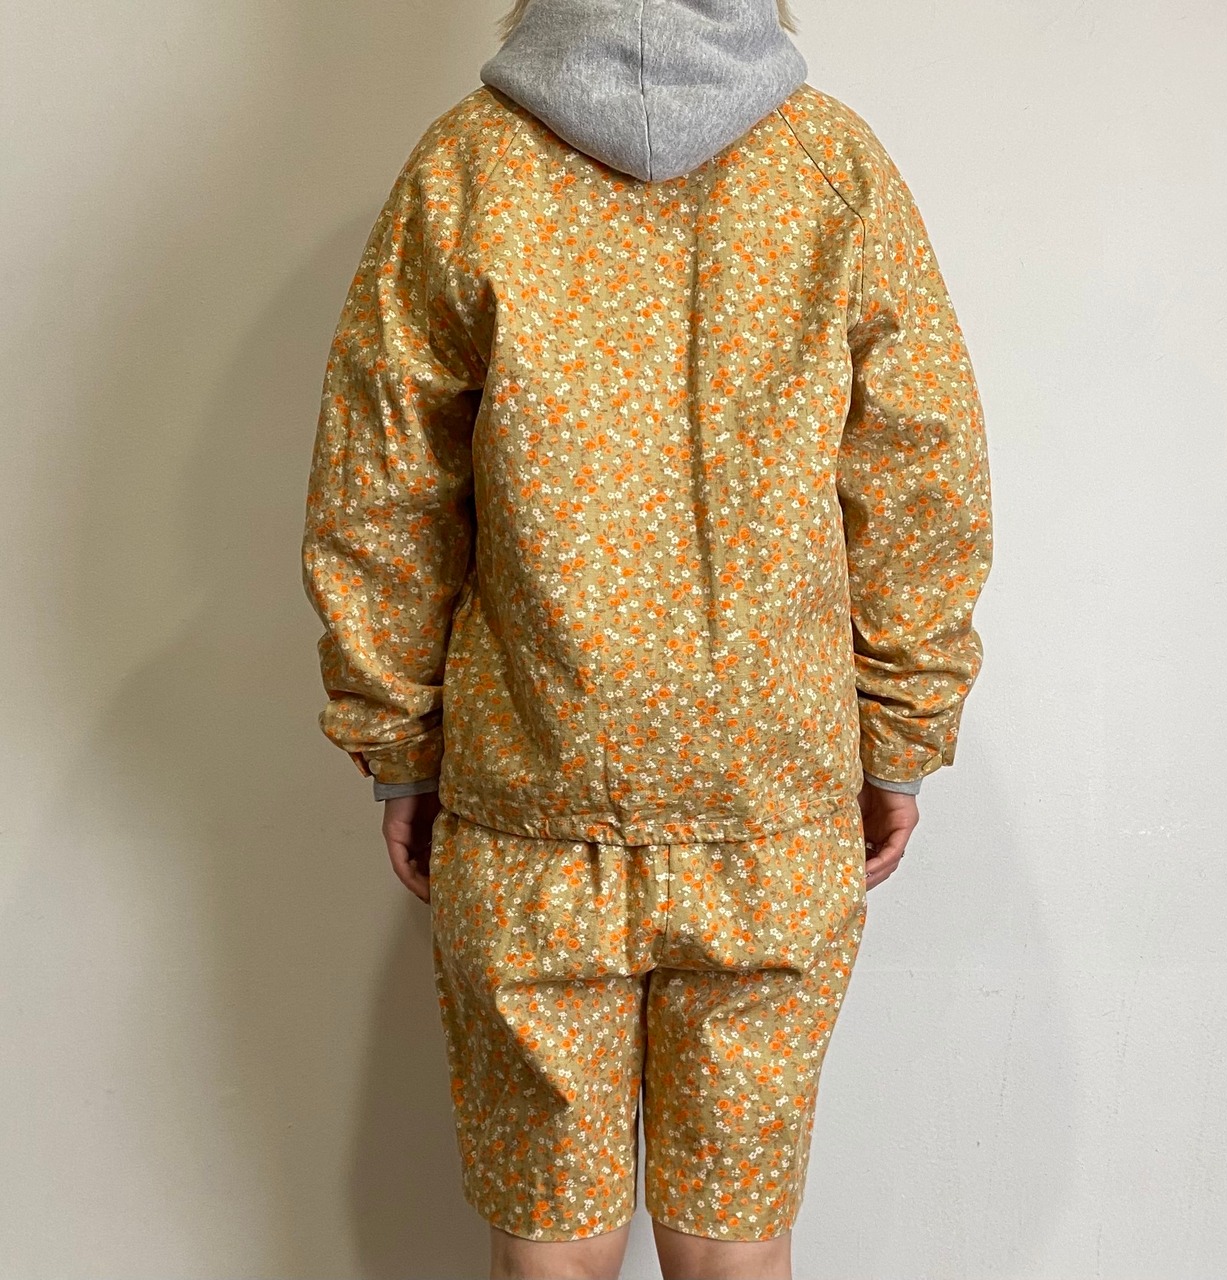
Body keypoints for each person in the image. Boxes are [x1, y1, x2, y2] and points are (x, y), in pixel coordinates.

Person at [300, 0, 992, 1275]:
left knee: (548, 1251)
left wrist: (397, 743)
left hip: (529, 800)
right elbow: (919, 476)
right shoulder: (832, 166)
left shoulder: (465, 167)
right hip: (770, 800)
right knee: (736, 1248)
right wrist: (901, 732)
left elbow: (379, 486)